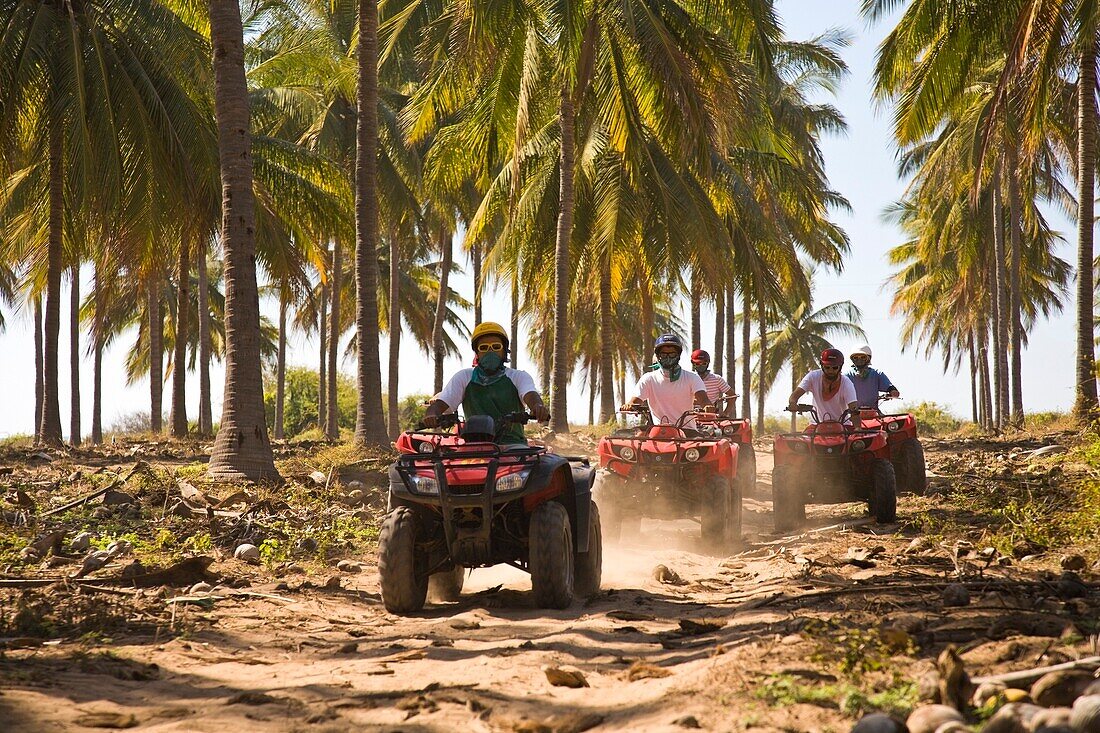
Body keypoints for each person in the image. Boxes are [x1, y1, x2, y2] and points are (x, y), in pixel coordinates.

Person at [423, 321, 550, 443]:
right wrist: (432, 414)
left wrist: (537, 406)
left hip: (512, 444)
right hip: (473, 446)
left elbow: (530, 394)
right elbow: (442, 402)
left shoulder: (518, 377)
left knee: (526, 464)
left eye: (496, 347)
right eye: (484, 348)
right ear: (477, 353)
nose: (490, 352)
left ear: (504, 351)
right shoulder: (464, 377)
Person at [621, 334, 712, 426]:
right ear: (658, 356)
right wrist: (629, 406)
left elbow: (703, 400)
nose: (668, 357)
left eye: (672, 354)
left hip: (688, 433)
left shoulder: (692, 377)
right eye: (664, 354)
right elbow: (635, 401)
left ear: (678, 355)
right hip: (658, 433)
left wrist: (708, 407)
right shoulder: (648, 379)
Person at [787, 348, 860, 426]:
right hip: (816, 425)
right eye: (827, 367)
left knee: (857, 438)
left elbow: (854, 408)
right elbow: (794, 396)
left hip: (843, 426)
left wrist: (857, 428)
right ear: (822, 366)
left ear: (840, 367)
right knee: (802, 438)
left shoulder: (846, 383)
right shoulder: (812, 377)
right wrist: (793, 403)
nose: (831, 371)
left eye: (835, 367)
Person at [689, 349, 738, 416]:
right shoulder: (688, 378)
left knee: (729, 426)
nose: (700, 366)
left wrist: (725, 413)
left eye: (704, 363)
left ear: (708, 363)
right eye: (697, 364)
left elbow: (732, 395)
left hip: (711, 417)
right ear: (693, 363)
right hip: (689, 416)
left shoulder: (717, 379)